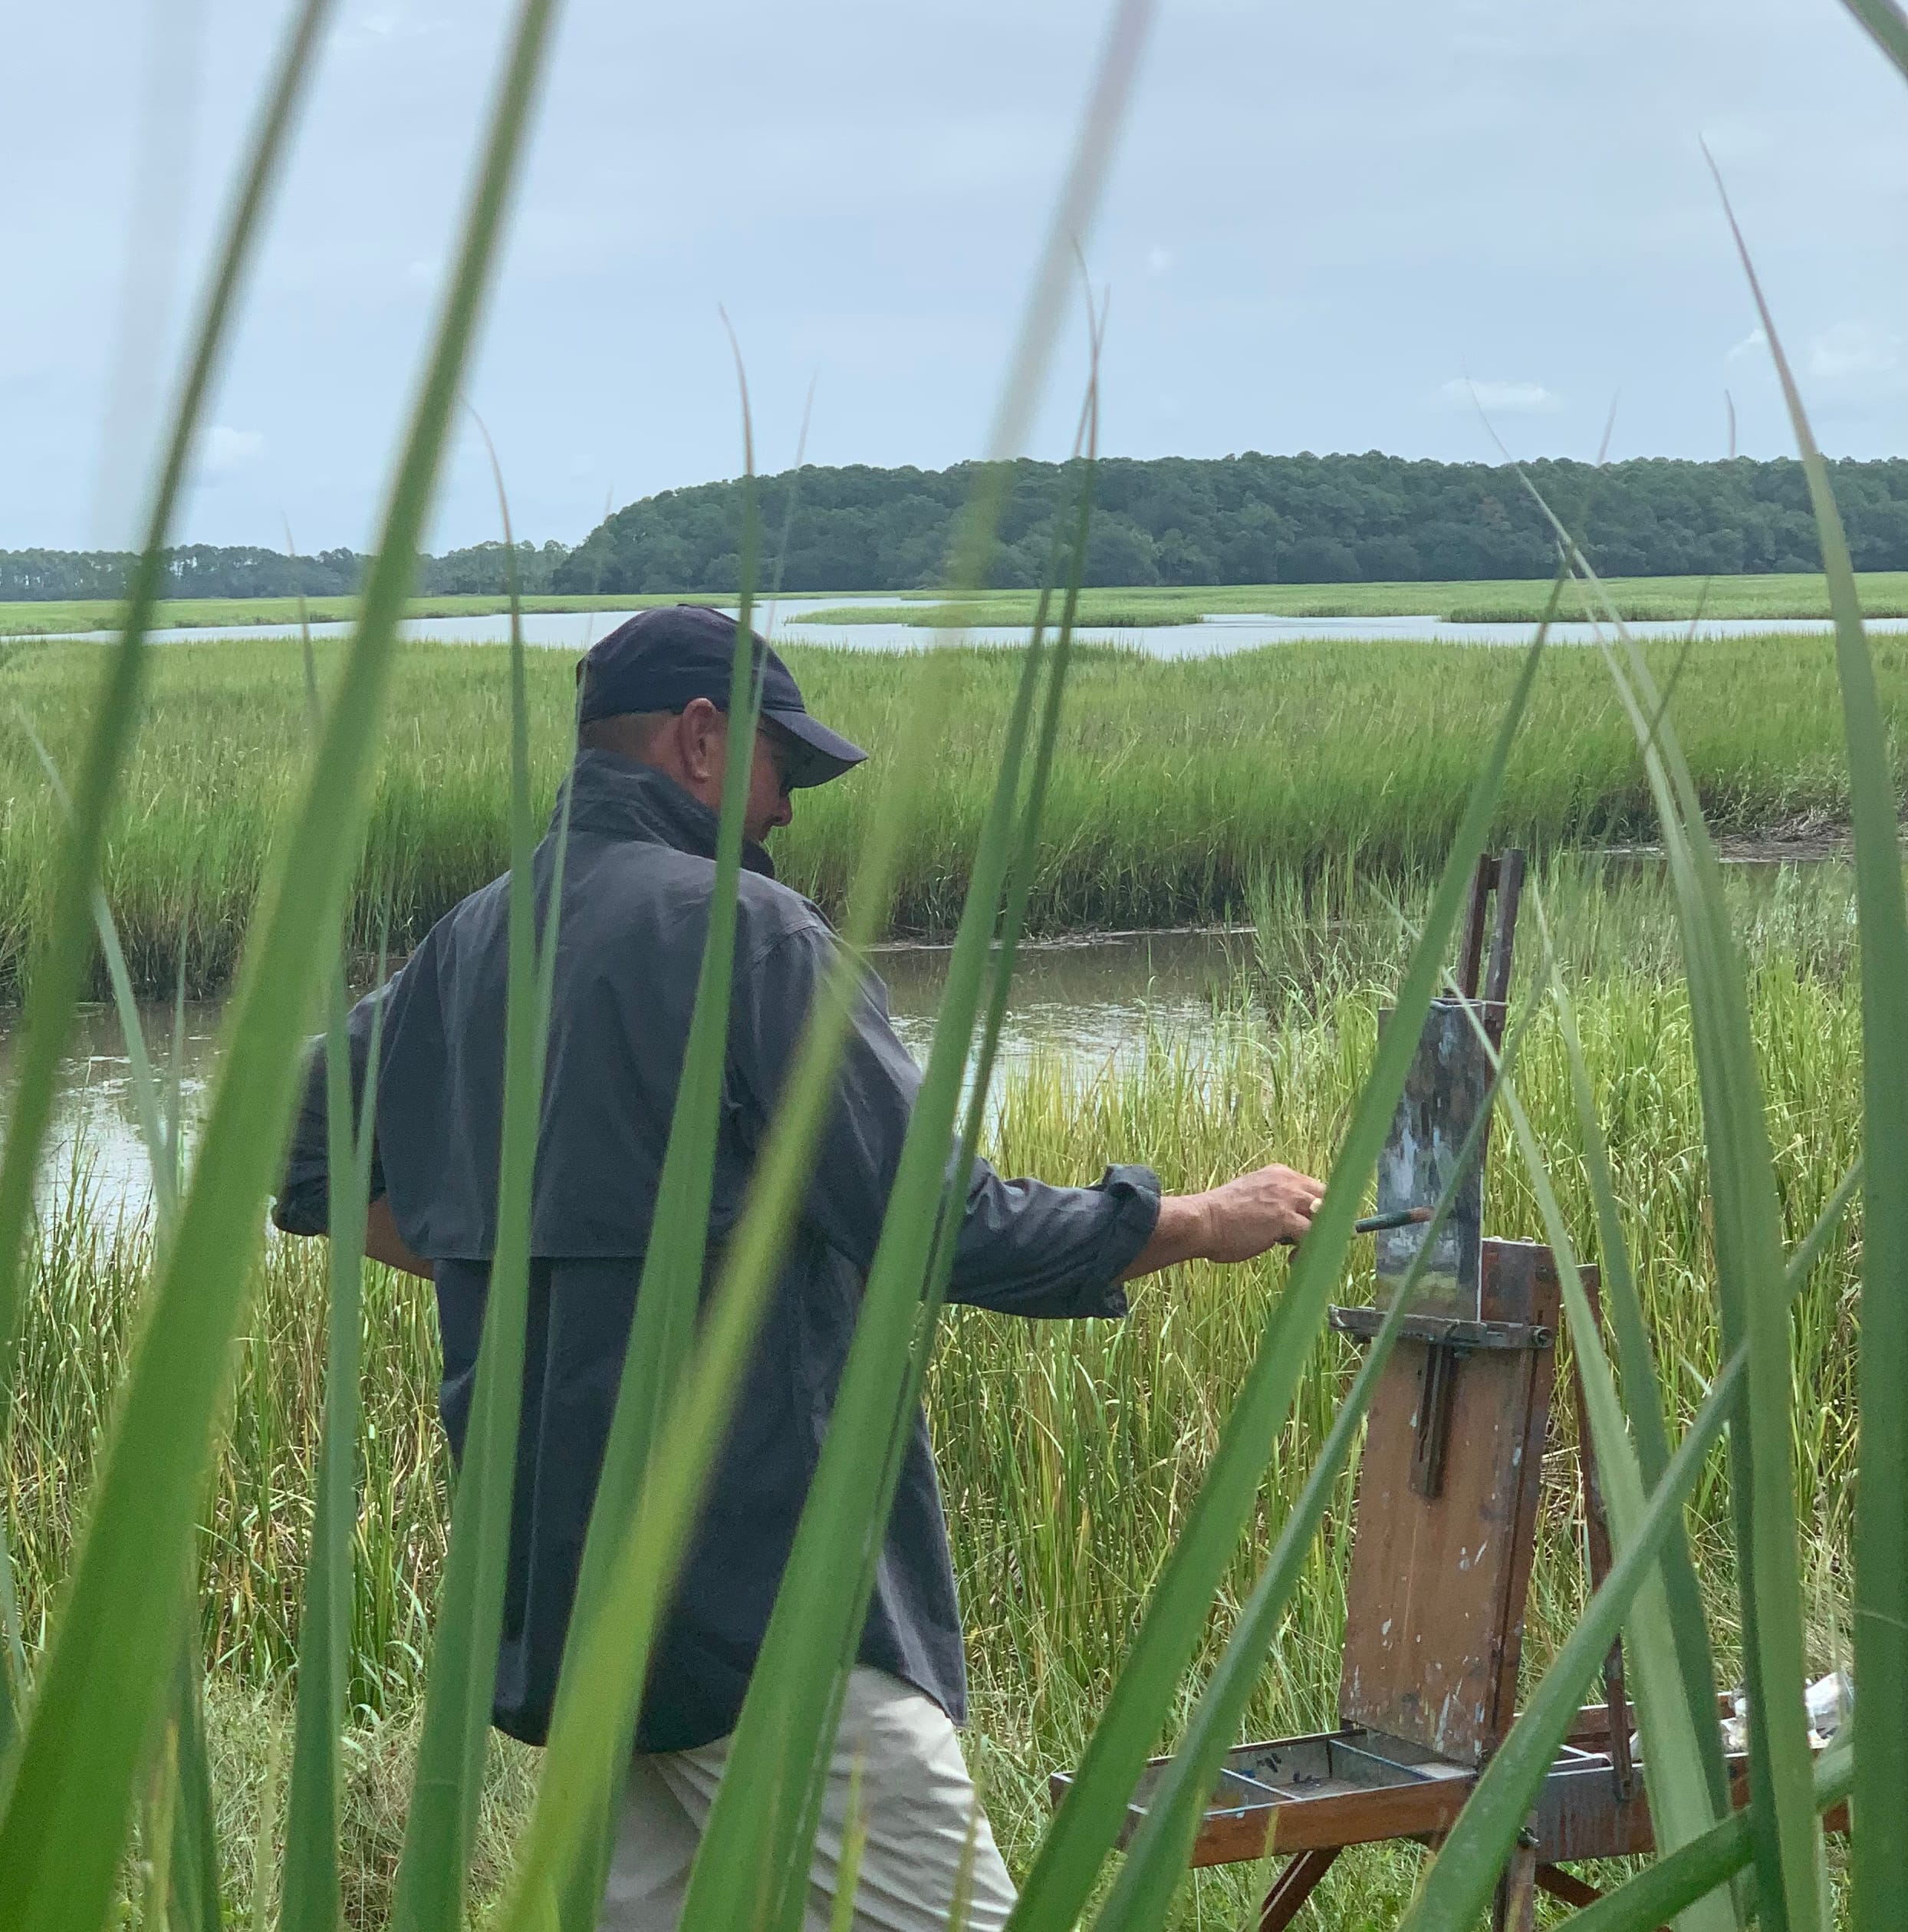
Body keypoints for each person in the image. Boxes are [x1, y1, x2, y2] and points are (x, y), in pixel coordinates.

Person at [274, 603, 1325, 1932]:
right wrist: (1187, 1218)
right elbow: (938, 1224)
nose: (788, 810)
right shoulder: (747, 936)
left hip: (567, 1601)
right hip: (759, 1605)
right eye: (785, 766)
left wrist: (521, 1252)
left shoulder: (467, 948)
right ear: (704, 742)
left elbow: (305, 1152)